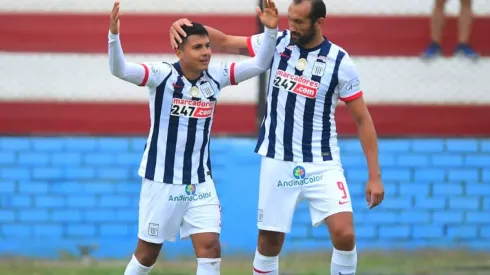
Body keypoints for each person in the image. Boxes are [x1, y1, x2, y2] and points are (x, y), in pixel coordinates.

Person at [169, 0, 384, 274]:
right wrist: (186, 26)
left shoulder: (340, 62)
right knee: (269, 241)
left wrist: (374, 175)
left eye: (299, 22)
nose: (291, 27)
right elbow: (224, 41)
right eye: (290, 20)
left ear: (319, 23)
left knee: (345, 234)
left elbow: (363, 119)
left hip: (322, 162)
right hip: (277, 159)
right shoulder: (277, 43)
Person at [108, 0, 279, 274]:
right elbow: (120, 70)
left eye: (208, 46)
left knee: (210, 247)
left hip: (200, 181)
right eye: (197, 47)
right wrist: (114, 36)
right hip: (162, 180)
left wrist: (270, 32)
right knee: (147, 254)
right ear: (179, 51)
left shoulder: (216, 76)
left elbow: (260, 64)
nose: (206, 53)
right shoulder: (162, 75)